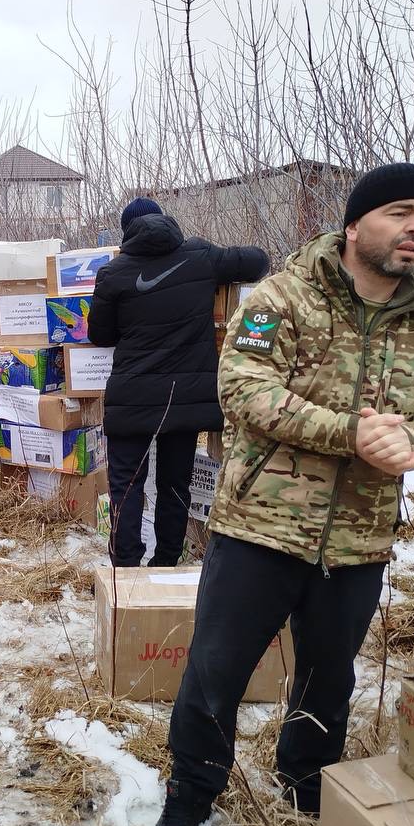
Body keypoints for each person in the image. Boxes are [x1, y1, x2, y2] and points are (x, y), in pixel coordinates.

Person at [151, 163, 414, 826]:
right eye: (400, 211)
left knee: (330, 678)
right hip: (261, 529)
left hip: (359, 539)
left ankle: (308, 784)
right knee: (217, 671)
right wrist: (349, 432)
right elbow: (242, 388)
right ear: (356, 224)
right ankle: (190, 797)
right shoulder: (283, 299)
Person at [89, 196, 269, 567]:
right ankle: (166, 563)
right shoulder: (200, 256)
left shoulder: (114, 272)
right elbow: (258, 262)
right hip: (182, 400)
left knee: (126, 487)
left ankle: (125, 568)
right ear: (167, 222)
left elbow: (100, 335)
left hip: (131, 397)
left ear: (126, 233)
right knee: (174, 486)